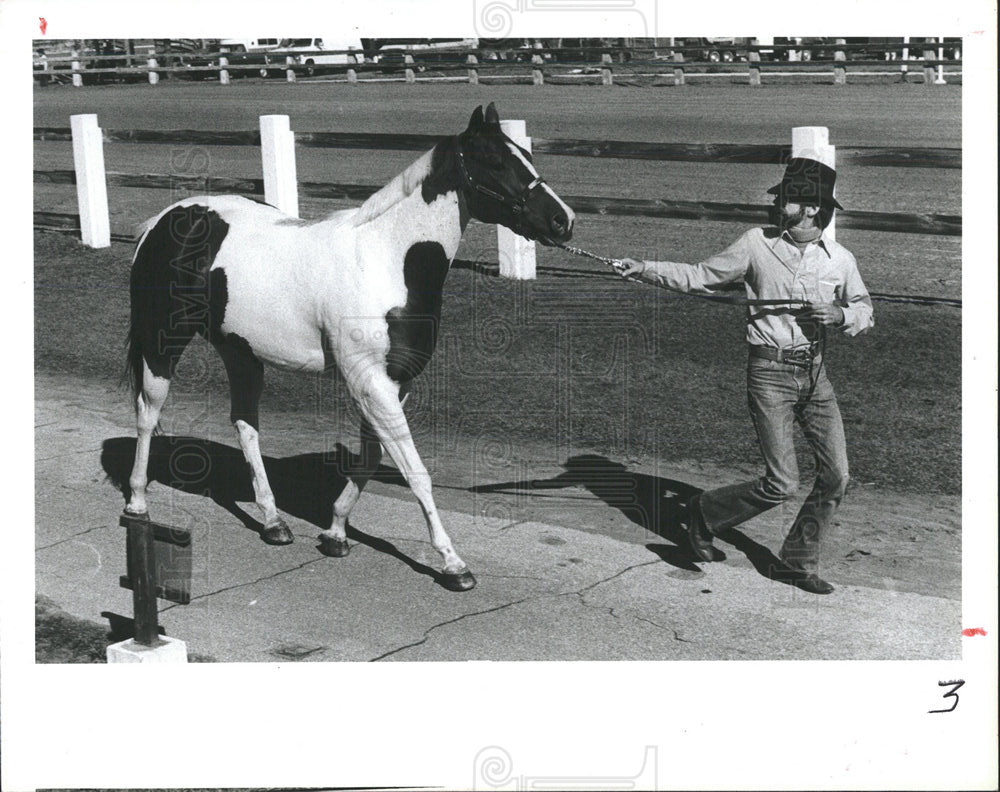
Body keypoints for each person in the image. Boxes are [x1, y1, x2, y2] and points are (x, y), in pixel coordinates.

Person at [618, 157, 874, 594]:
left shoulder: (841, 260)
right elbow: (701, 276)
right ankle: (703, 512)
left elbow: (865, 311)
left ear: (811, 209)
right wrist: (645, 267)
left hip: (815, 377)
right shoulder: (756, 244)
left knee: (837, 476)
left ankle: (796, 560)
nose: (779, 204)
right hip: (769, 373)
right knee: (782, 483)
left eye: (787, 198)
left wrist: (840, 313)